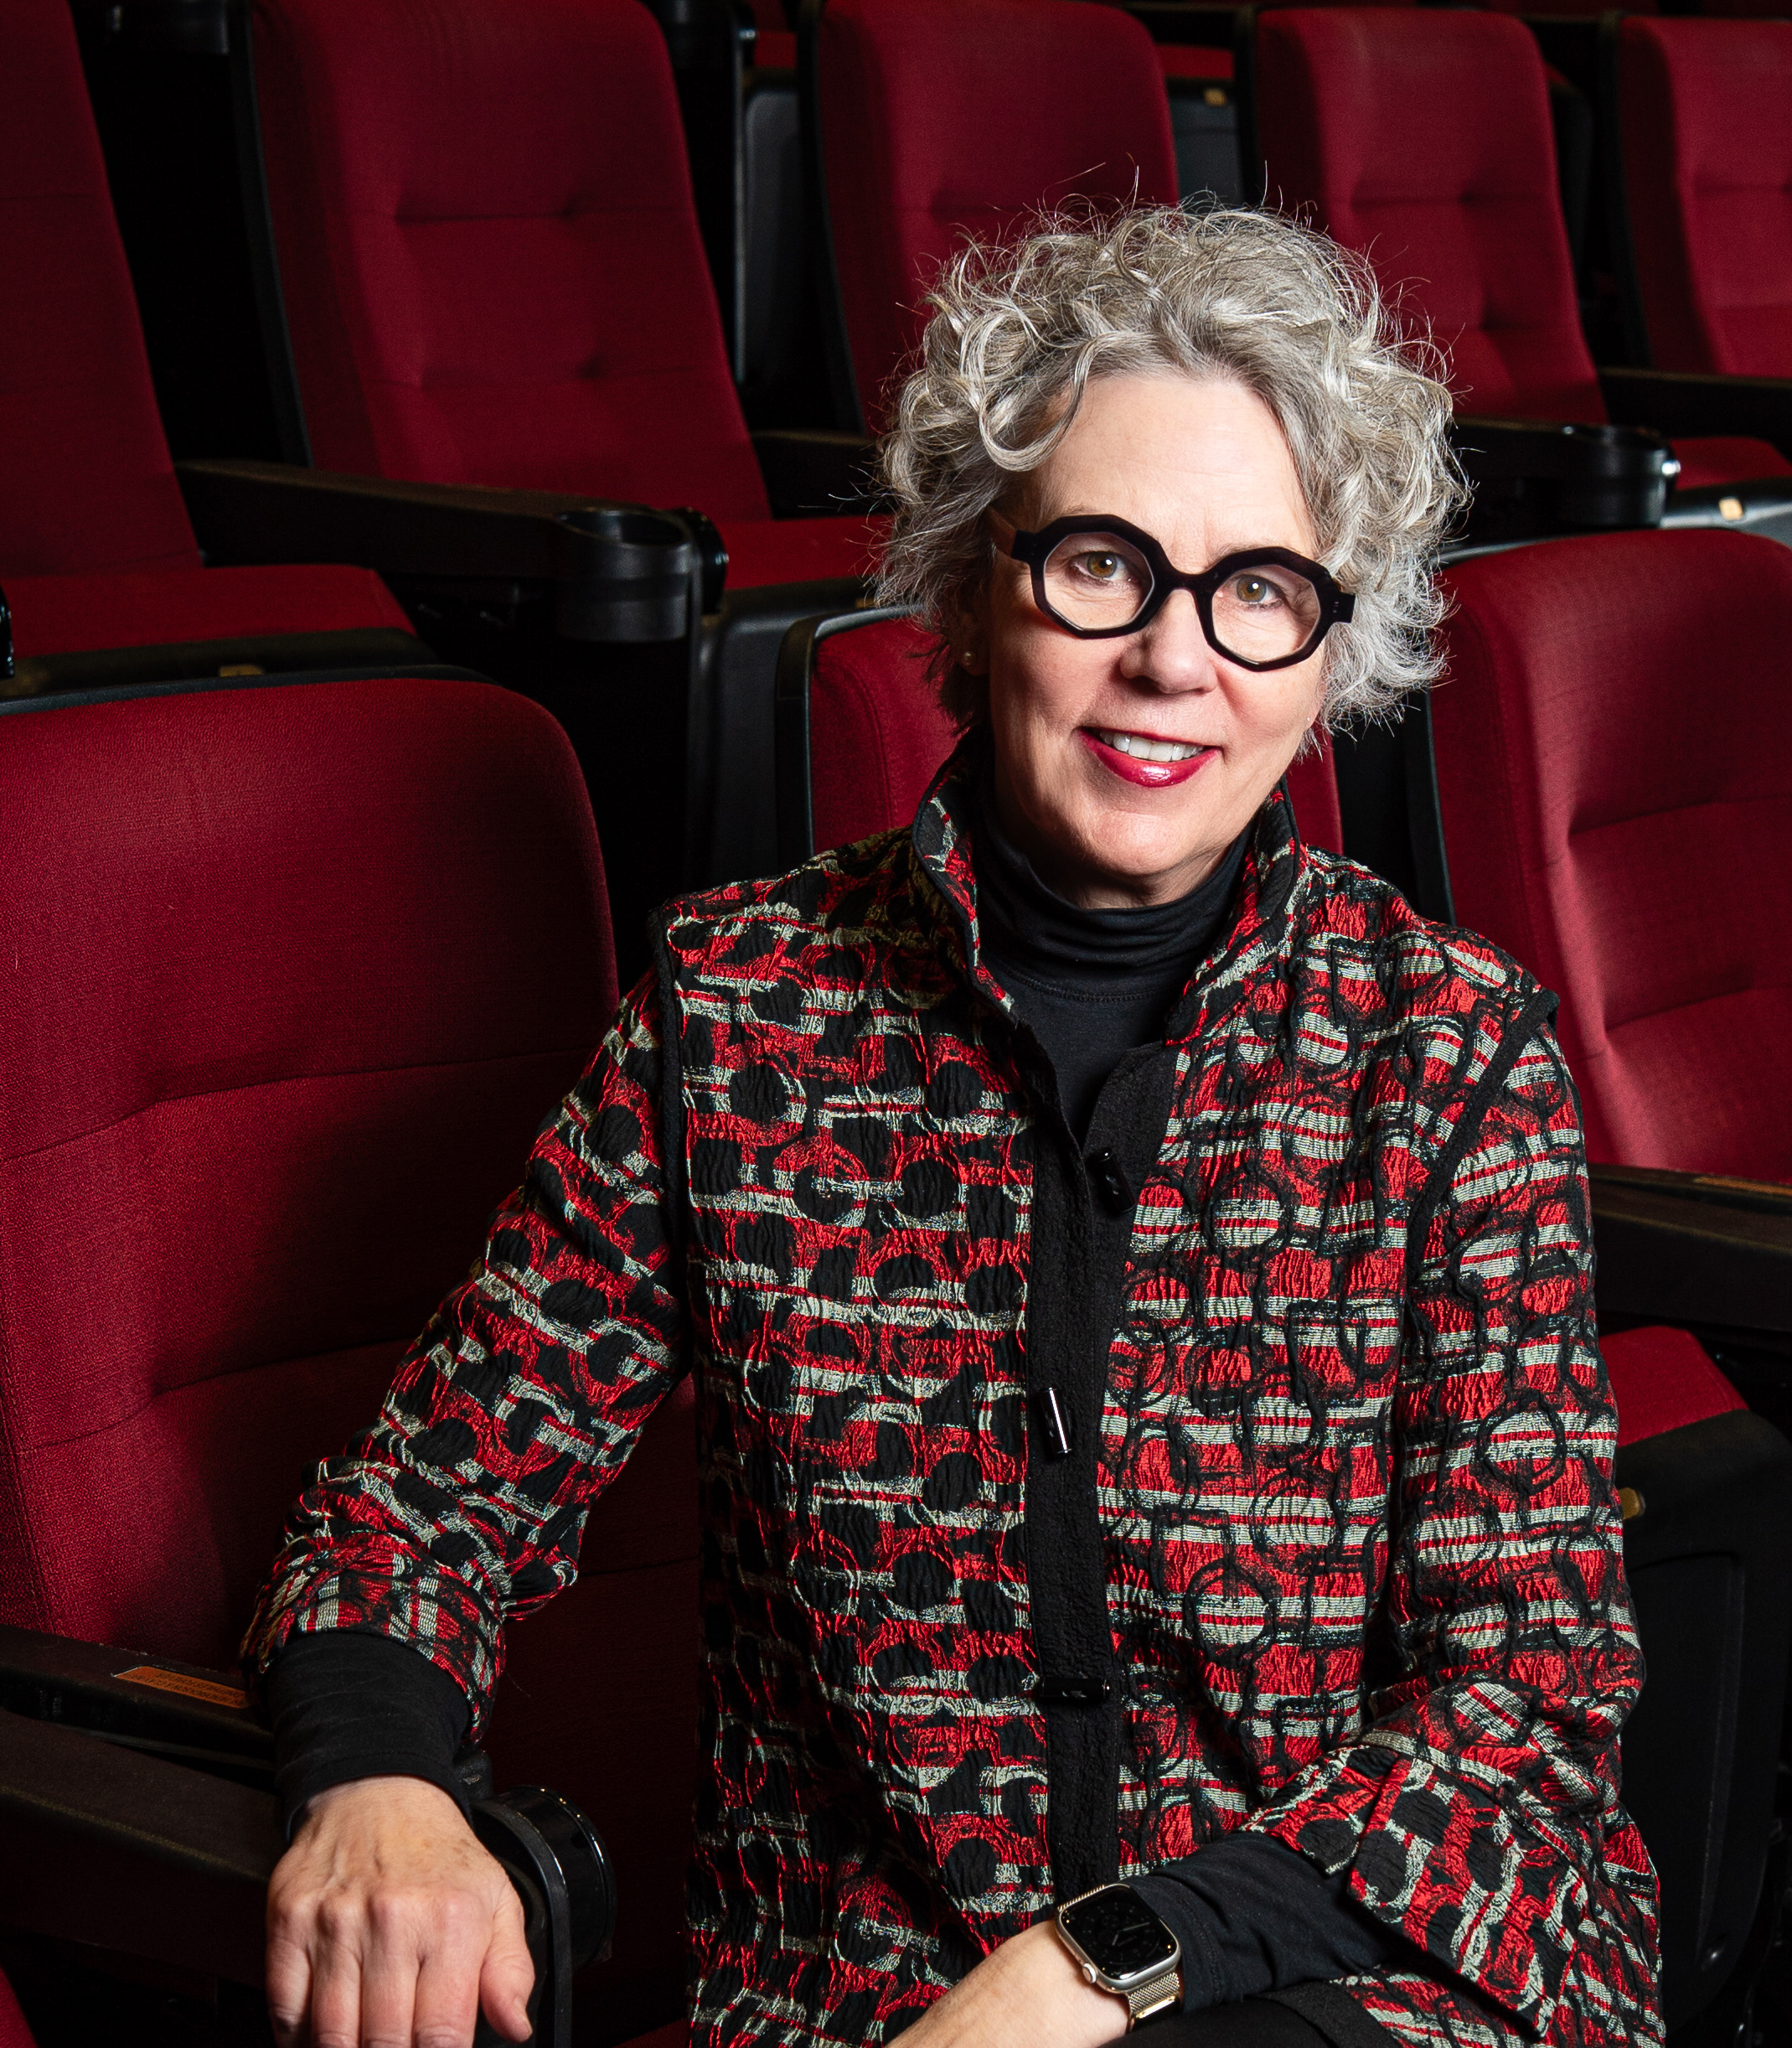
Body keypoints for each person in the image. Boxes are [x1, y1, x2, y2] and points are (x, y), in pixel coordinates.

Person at [245, 204, 1660, 2048]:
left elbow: (1523, 1709)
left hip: (1357, 1980)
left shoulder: (1450, 1050)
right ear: (970, 587)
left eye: (1256, 590)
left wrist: (1099, 1967)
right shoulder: (737, 1018)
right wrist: (379, 1785)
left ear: (1333, 650)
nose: (1174, 659)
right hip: (867, 2011)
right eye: (1101, 565)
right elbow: (414, 1510)